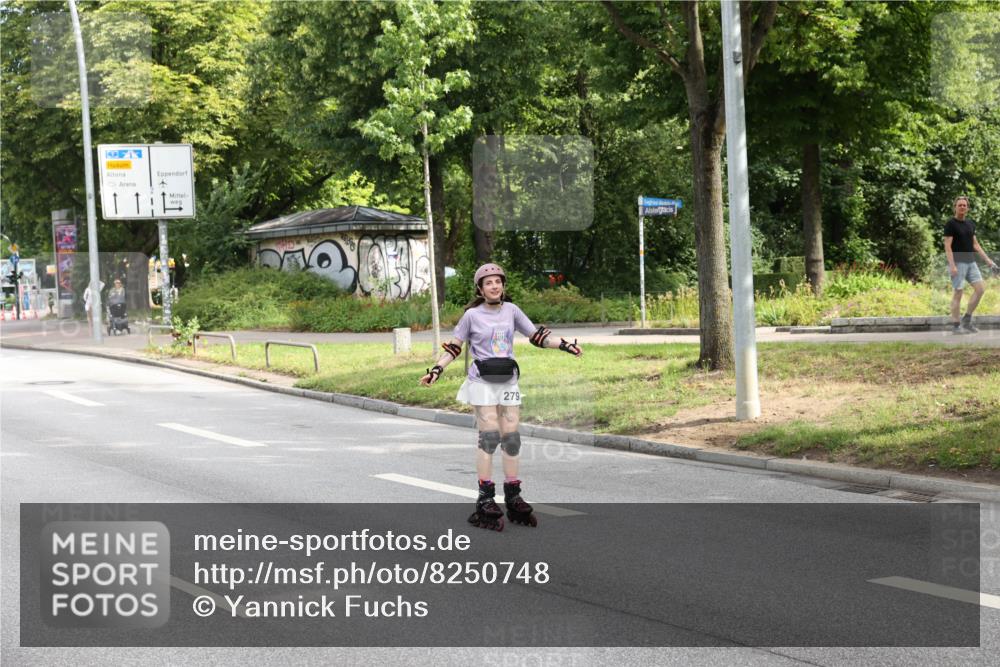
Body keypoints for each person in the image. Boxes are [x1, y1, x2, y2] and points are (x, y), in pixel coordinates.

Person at [419, 263, 583, 531]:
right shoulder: (472, 316)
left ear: (503, 286)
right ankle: (485, 497)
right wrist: (436, 370)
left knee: (512, 437)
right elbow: (454, 348)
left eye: (498, 282)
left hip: (508, 379)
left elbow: (538, 337)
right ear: (480, 289)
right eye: (489, 283)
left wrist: (565, 345)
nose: (494, 286)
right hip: (482, 380)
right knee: (490, 436)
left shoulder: (512, 310)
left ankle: (513, 494)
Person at [944, 197, 998, 334]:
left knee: (980, 289)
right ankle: (956, 326)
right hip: (957, 262)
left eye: (964, 205)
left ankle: (966, 320)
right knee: (958, 292)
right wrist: (952, 265)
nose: (962, 207)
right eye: (959, 205)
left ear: (967, 208)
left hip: (971, 262)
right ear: (955, 207)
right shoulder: (950, 224)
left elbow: (976, 245)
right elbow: (947, 246)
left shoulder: (970, 224)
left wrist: (989, 261)